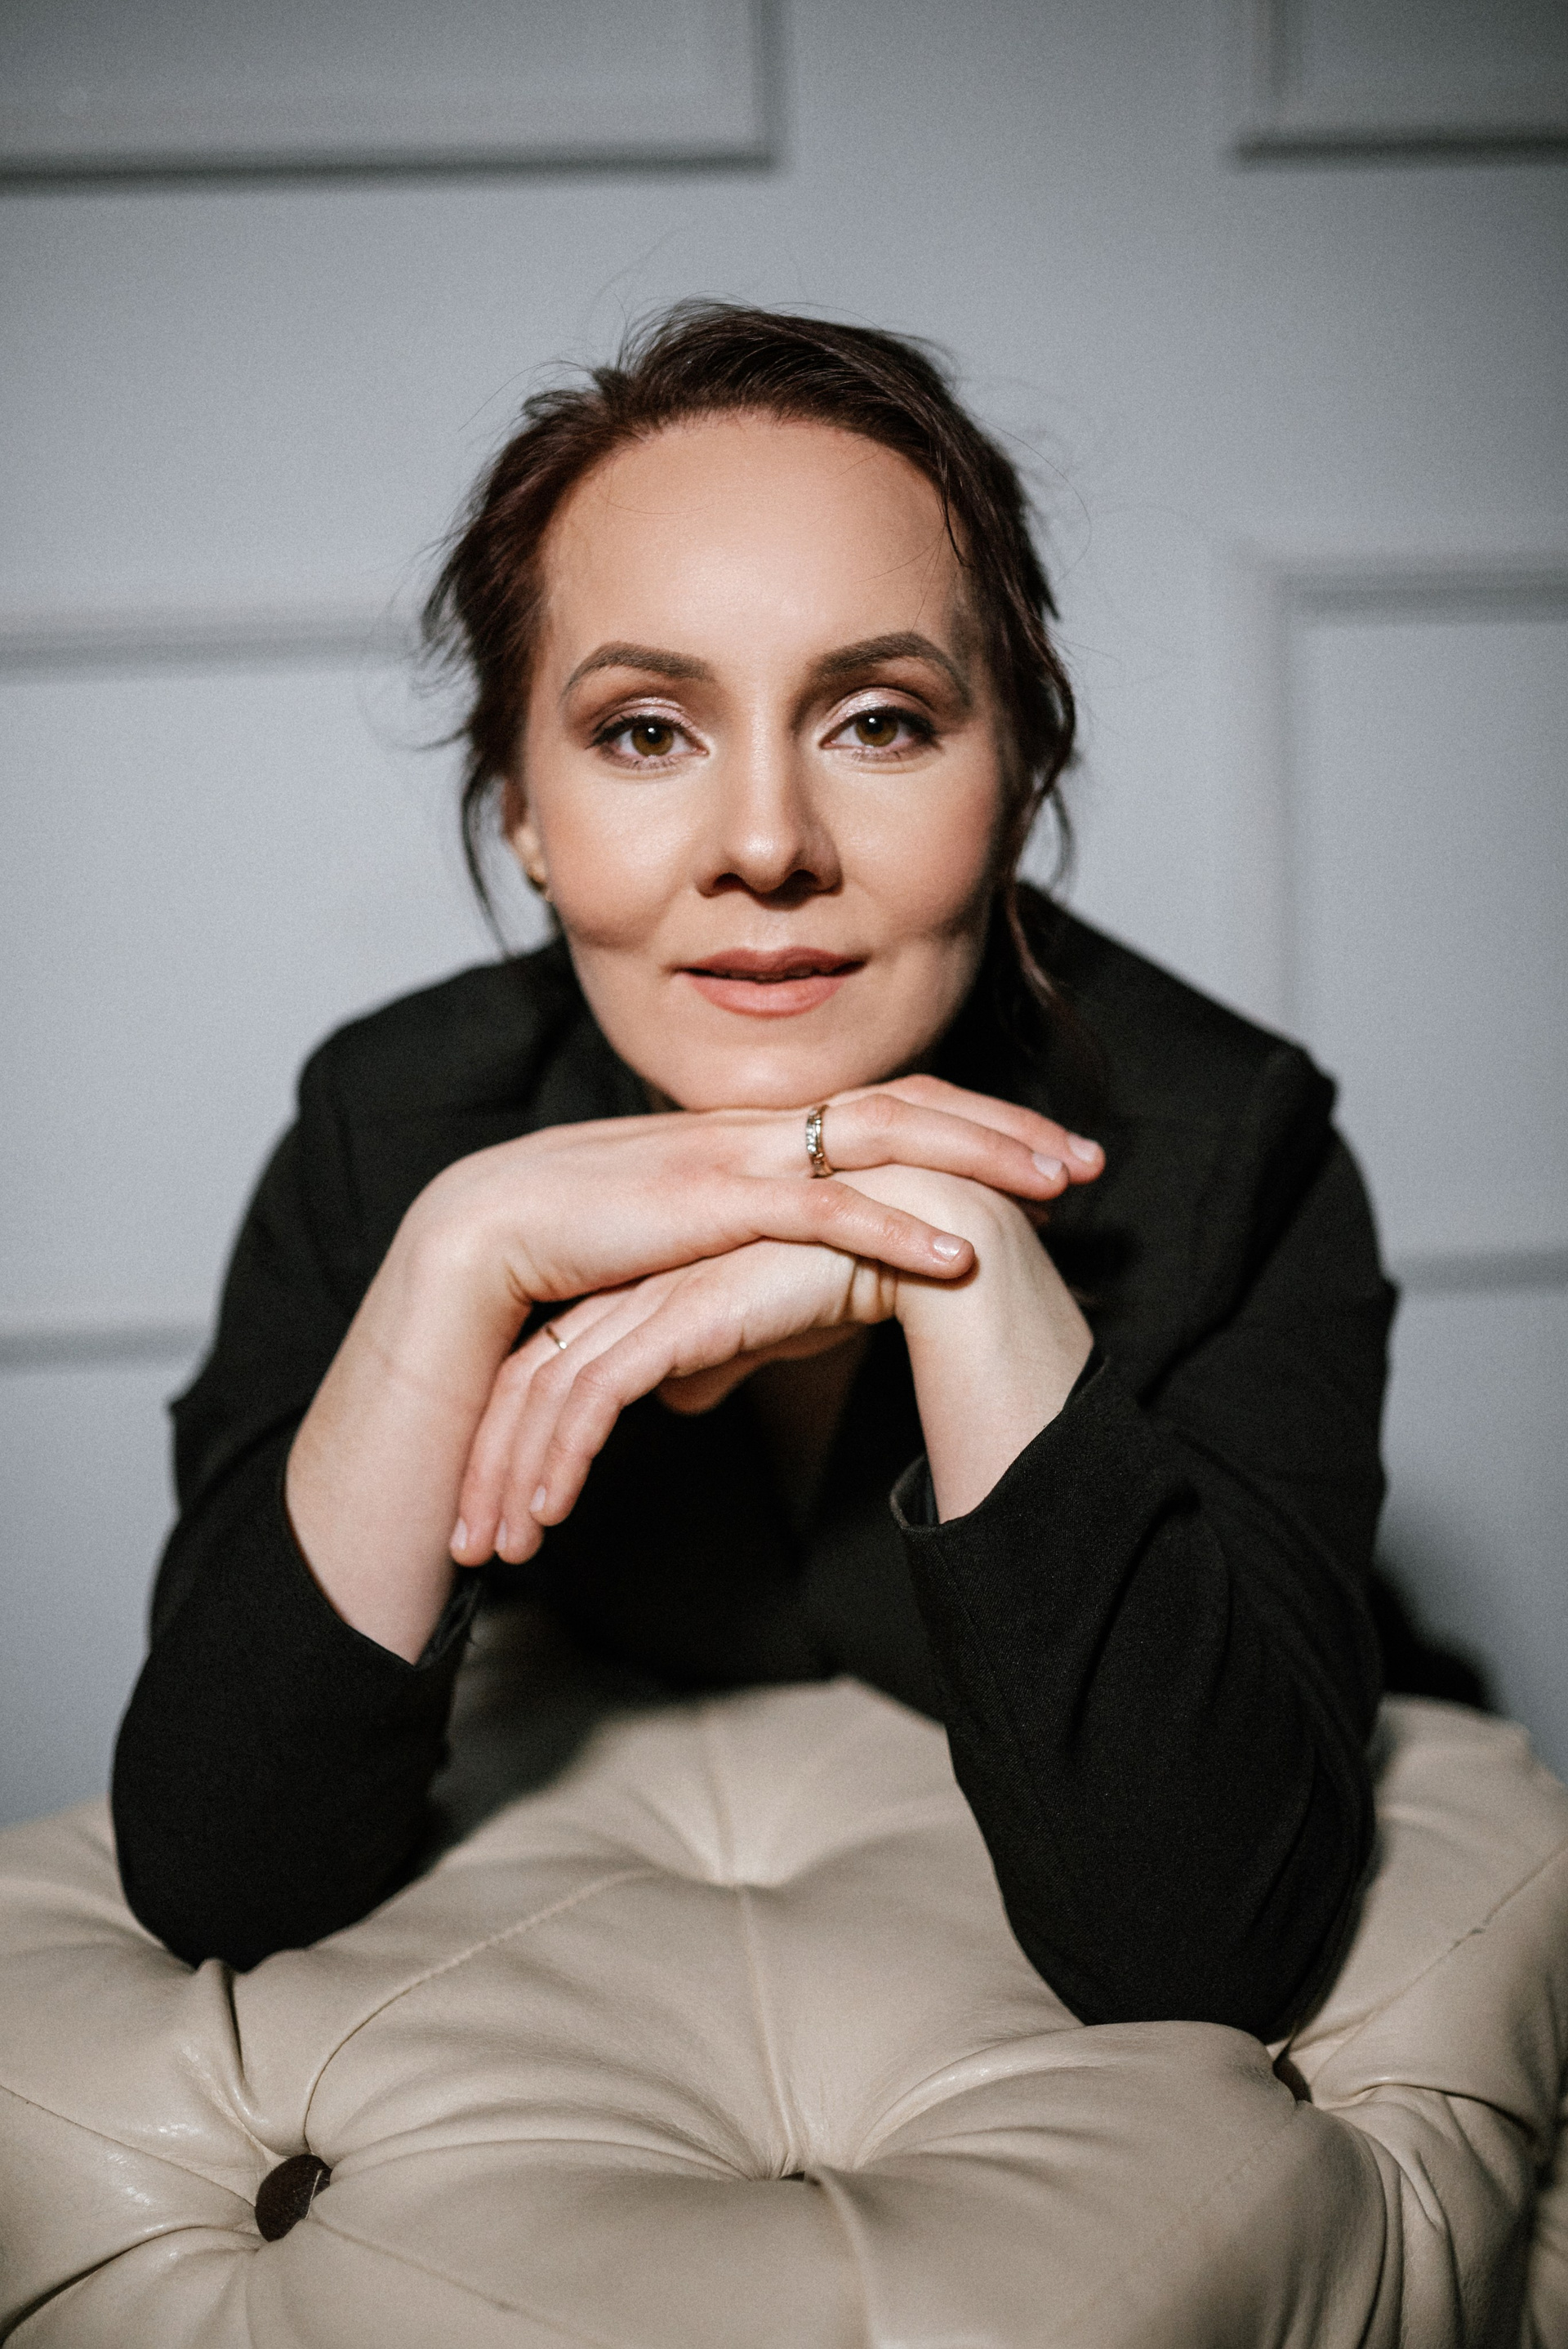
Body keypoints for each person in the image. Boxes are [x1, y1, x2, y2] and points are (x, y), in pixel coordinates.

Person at [112, 305, 1393, 2038]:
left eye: (881, 720)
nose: (770, 845)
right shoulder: (396, 1126)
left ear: (1019, 778)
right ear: (522, 808)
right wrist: (461, 1249)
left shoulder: (1236, 1150)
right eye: (647, 731)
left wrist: (958, 1257)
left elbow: (1204, 1950)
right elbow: (219, 1872)